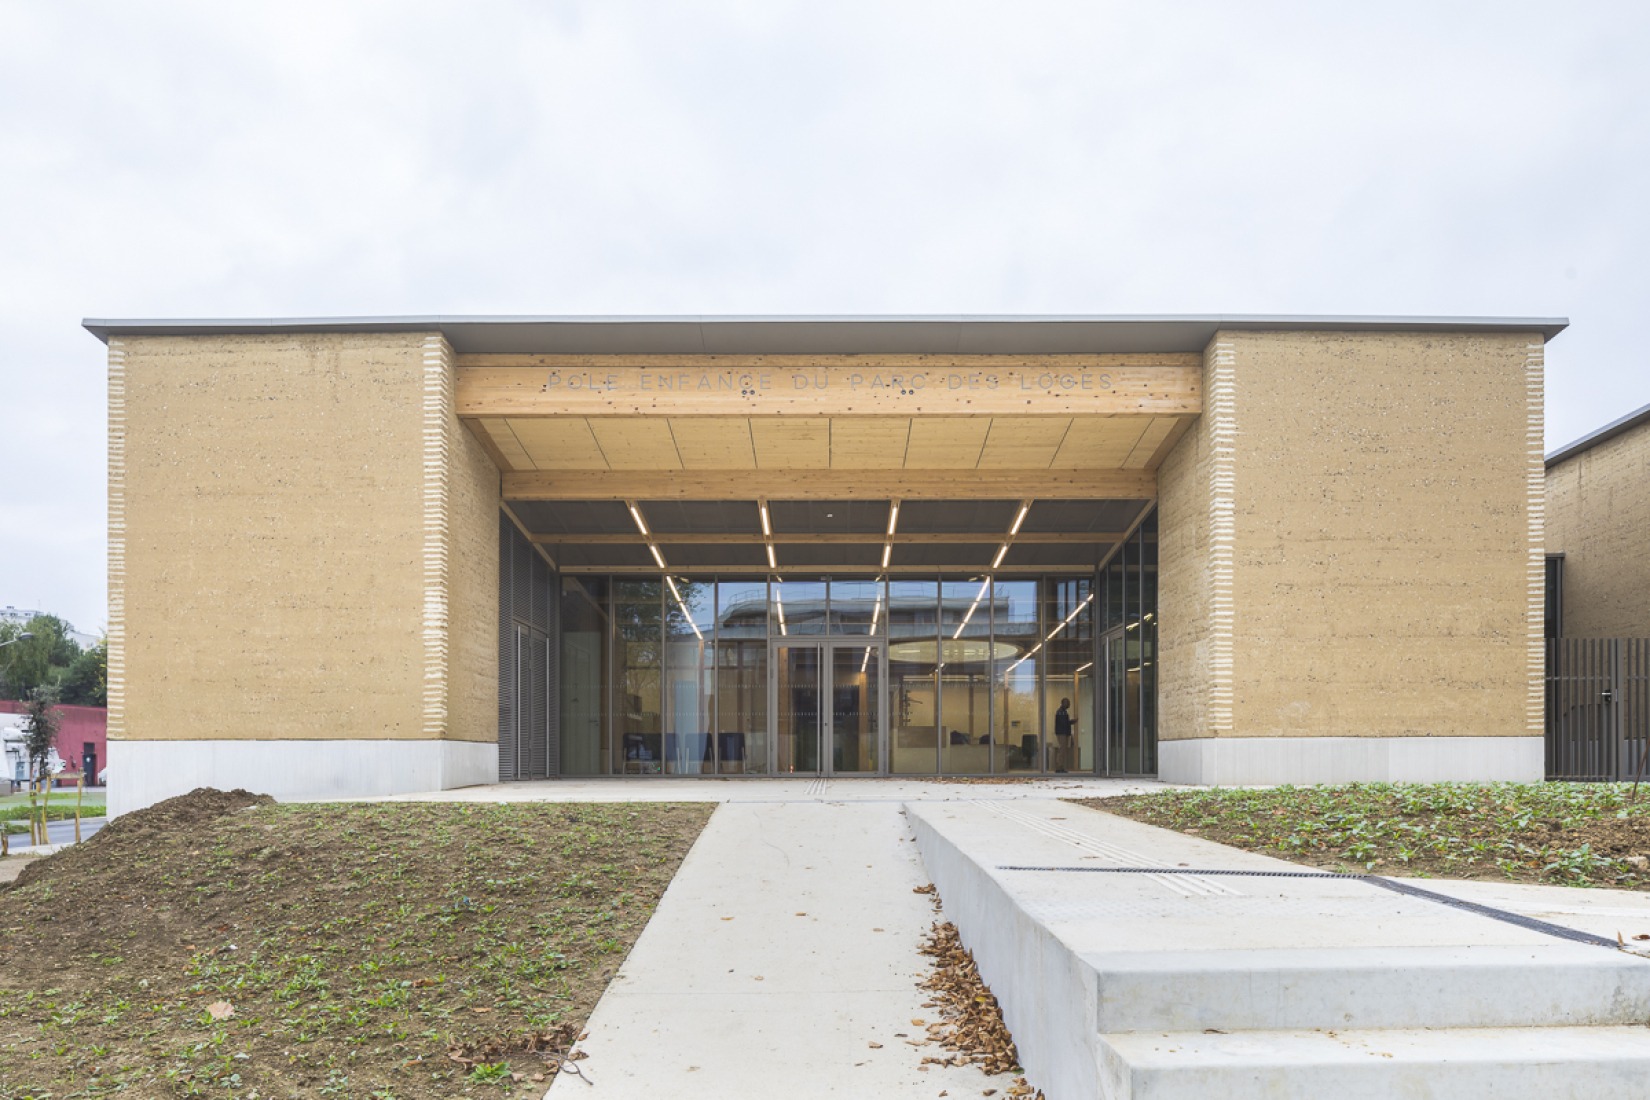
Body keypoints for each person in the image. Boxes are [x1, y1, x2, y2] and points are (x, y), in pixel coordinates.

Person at [1054, 698, 1075, 773]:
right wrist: (1071, 722)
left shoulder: (1064, 712)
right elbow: (1063, 723)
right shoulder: (1060, 712)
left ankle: (1061, 767)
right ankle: (1059, 767)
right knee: (1062, 750)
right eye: (1067, 703)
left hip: (1064, 733)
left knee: (1063, 750)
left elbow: (1064, 723)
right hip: (1062, 733)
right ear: (1063, 703)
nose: (1069, 704)